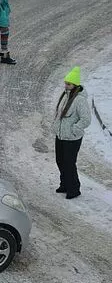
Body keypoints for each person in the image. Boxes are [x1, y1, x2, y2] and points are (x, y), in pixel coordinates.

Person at [53, 67, 91, 199]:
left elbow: (86, 119)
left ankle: (74, 189)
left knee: (69, 163)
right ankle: (64, 185)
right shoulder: (65, 95)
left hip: (72, 138)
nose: (66, 86)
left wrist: (75, 129)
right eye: (65, 83)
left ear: (75, 85)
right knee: (60, 161)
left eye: (68, 84)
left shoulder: (80, 100)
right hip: (61, 135)